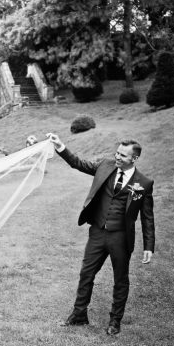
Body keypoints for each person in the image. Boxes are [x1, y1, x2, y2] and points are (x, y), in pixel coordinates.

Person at [46, 133, 155, 335]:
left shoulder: (144, 183)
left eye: (123, 155)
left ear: (134, 159)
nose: (118, 157)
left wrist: (149, 246)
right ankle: (79, 315)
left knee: (120, 280)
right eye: (117, 153)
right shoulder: (105, 166)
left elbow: (148, 217)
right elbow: (78, 163)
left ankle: (115, 322)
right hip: (97, 232)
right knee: (86, 273)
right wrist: (60, 145)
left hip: (121, 238)